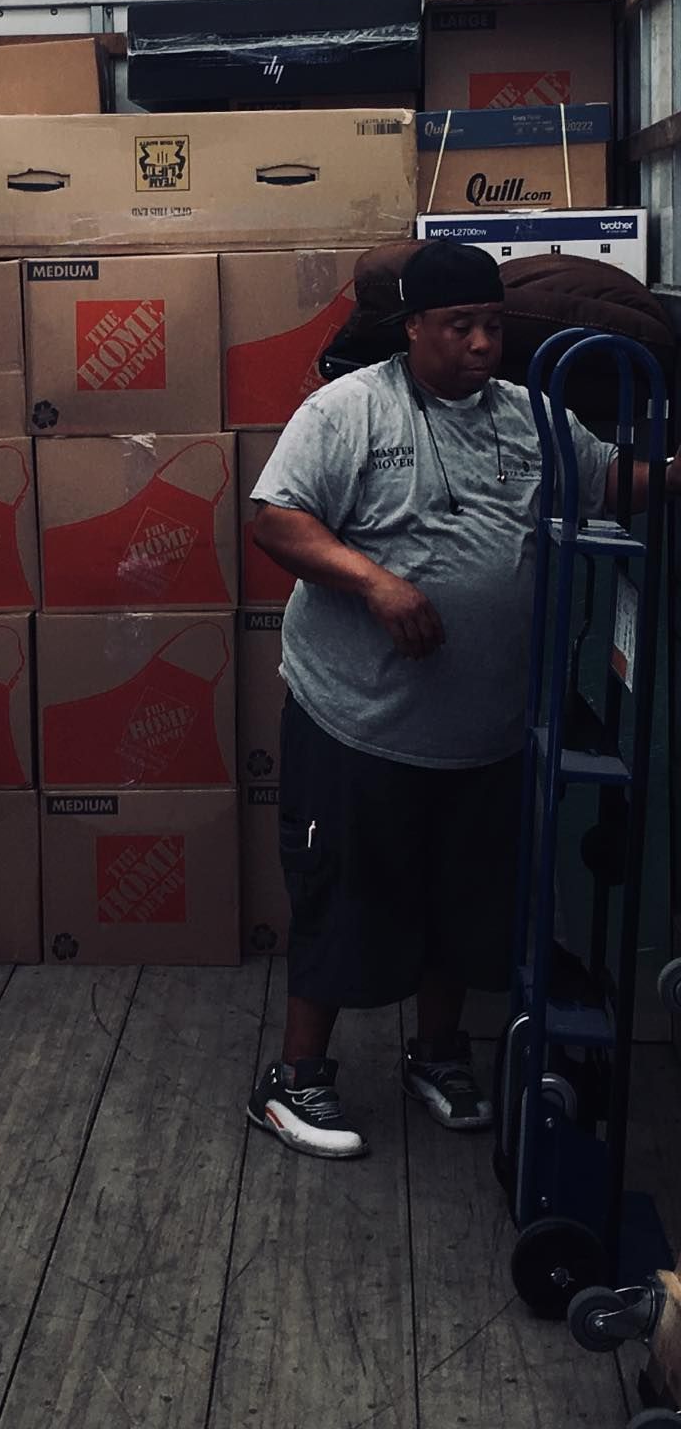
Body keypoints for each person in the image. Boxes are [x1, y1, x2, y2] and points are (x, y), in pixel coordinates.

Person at [245, 239, 679, 1160]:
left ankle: (437, 1053)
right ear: (413, 329)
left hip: (487, 730)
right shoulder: (348, 410)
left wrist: (674, 473)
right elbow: (278, 520)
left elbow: (607, 483)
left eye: (490, 325)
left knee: (465, 905)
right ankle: (294, 1080)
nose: (481, 344)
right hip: (357, 720)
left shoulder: (531, 416)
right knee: (344, 895)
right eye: (458, 327)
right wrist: (375, 584)